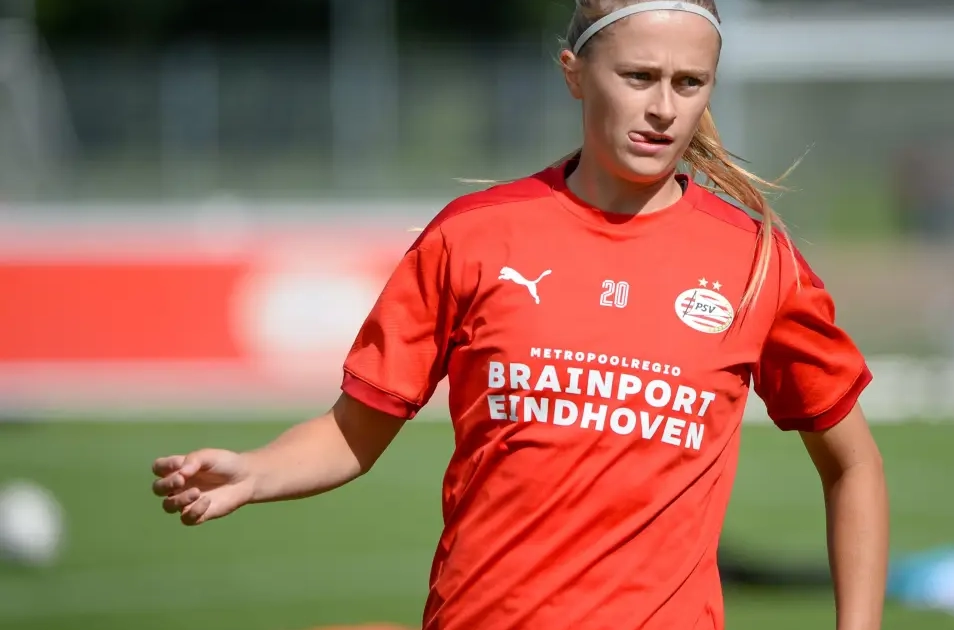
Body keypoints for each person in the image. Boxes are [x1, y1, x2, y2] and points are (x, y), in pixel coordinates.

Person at [149, 2, 890, 629]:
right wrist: (256, 471)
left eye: (688, 82)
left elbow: (853, 465)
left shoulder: (756, 261)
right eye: (638, 76)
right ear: (574, 73)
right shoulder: (472, 237)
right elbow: (353, 433)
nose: (664, 107)